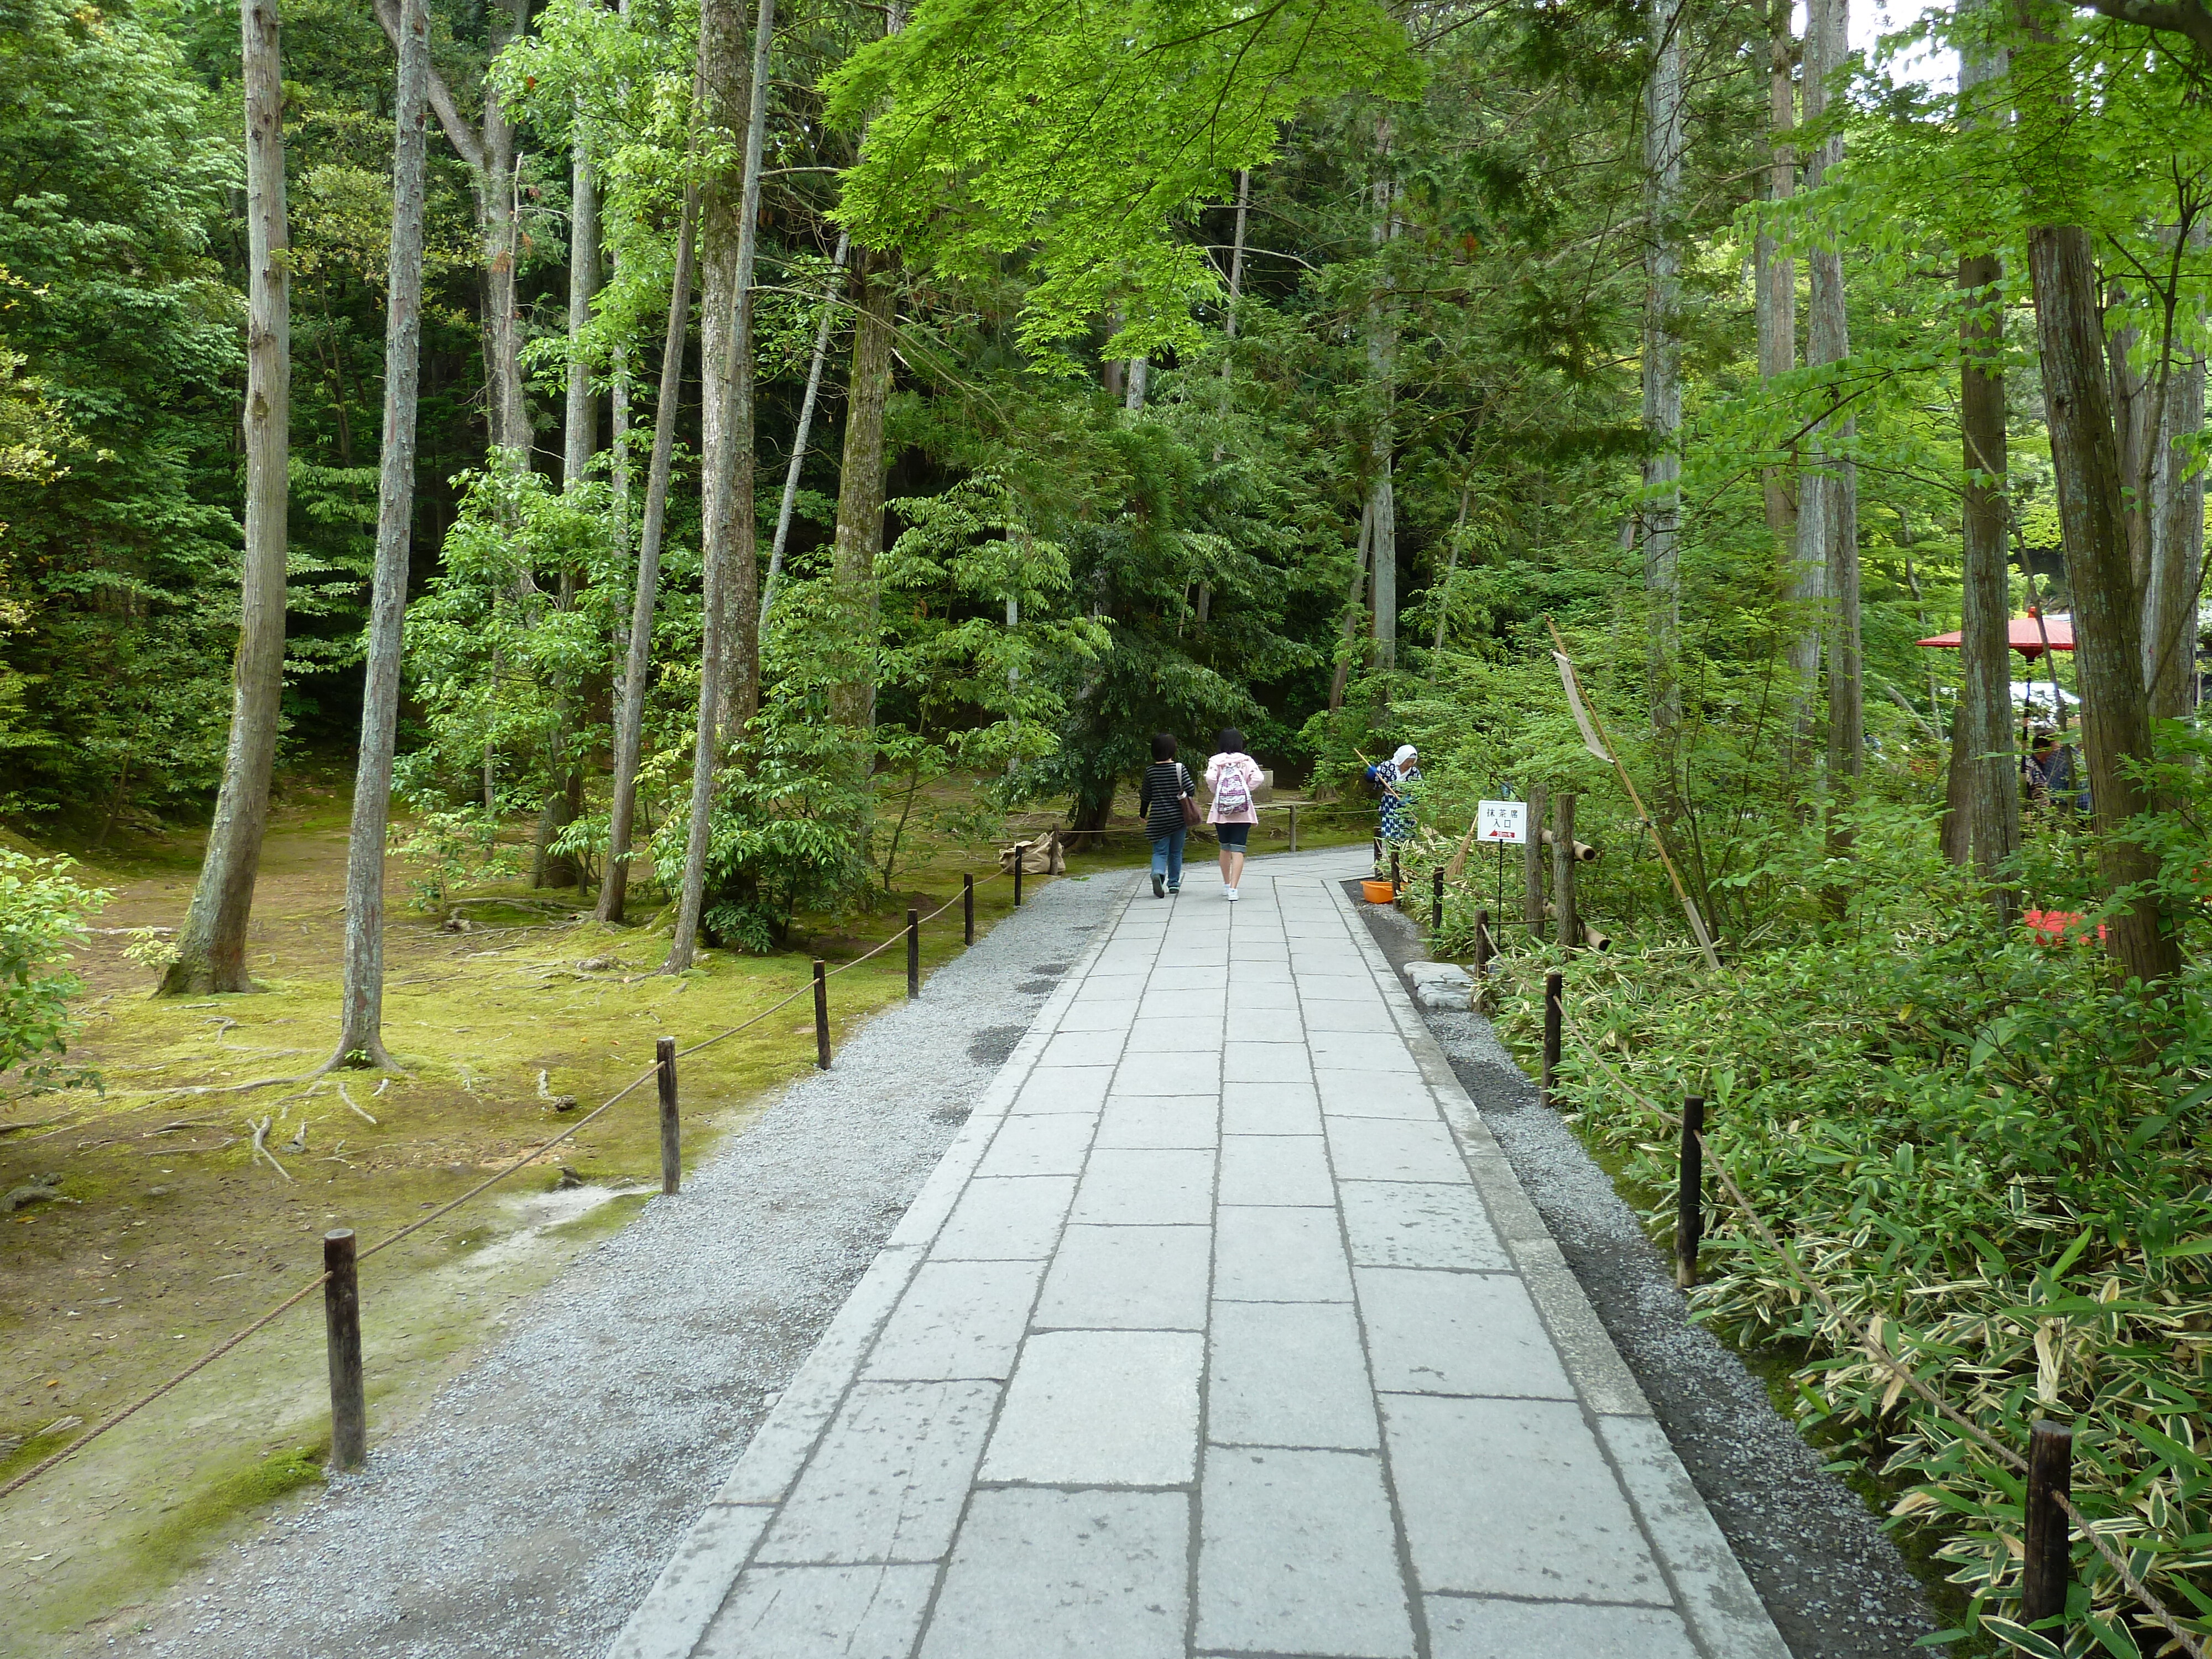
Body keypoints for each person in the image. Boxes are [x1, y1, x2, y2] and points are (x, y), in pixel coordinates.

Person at [1204, 727, 1265, 901]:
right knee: (1238, 849)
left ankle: (1225, 884)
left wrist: (1217, 792)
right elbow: (1259, 778)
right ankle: (1233, 889)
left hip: (1221, 811)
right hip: (1243, 811)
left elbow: (1209, 777)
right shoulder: (1247, 761)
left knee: (1225, 847)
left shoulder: (1216, 761)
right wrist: (1246, 789)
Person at [1136, 733, 1194, 898]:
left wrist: (1142, 814)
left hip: (1158, 819)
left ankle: (1158, 873)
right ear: (1173, 750)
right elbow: (1191, 790)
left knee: (1159, 852)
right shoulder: (1179, 768)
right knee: (1176, 852)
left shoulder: (1150, 771)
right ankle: (1174, 884)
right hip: (1178, 818)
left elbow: (1146, 796)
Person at [1364, 743, 1421, 873]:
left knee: (1407, 832)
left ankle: (1406, 859)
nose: (1410, 764)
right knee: (1390, 832)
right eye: (1408, 761)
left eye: (1413, 762)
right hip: (1390, 803)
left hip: (1406, 805)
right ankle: (1392, 858)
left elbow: (1419, 789)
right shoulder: (1387, 767)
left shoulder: (1414, 772)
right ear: (1402, 758)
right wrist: (1371, 776)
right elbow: (1375, 781)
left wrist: (1411, 799)